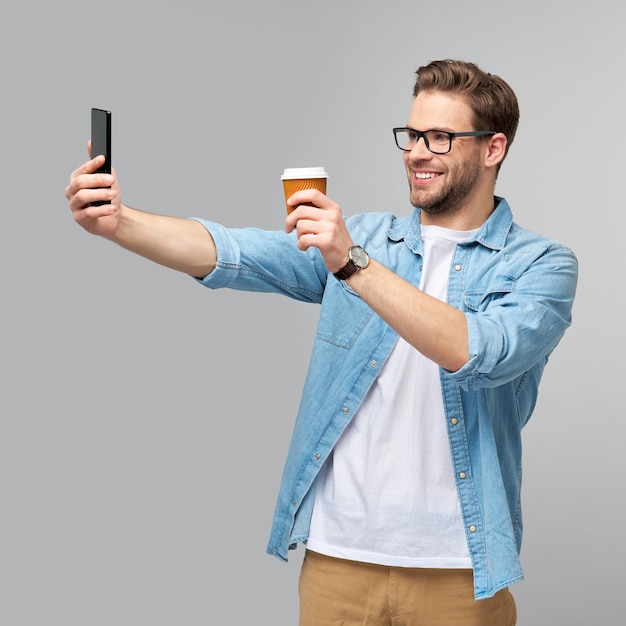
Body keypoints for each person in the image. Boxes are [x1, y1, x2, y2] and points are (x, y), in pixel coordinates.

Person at [65, 59, 577, 625]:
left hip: (459, 568)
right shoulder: (367, 238)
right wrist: (120, 223)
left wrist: (352, 264)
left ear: (493, 148)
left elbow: (481, 352)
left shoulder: (539, 265)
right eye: (412, 135)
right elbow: (235, 253)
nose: (417, 153)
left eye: (440, 137)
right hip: (337, 559)